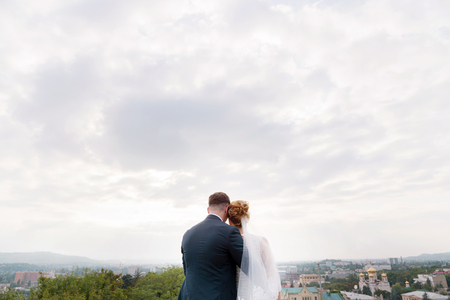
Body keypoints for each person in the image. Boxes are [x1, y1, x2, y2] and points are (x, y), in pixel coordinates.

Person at [177, 192, 244, 300]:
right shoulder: (230, 232)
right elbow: (247, 265)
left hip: (187, 296)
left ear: (208, 209)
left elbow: (187, 270)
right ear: (227, 209)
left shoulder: (188, 233)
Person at [228, 200, 281, 300]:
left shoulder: (227, 244)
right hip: (259, 295)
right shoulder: (261, 242)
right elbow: (272, 275)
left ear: (229, 221)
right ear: (246, 219)